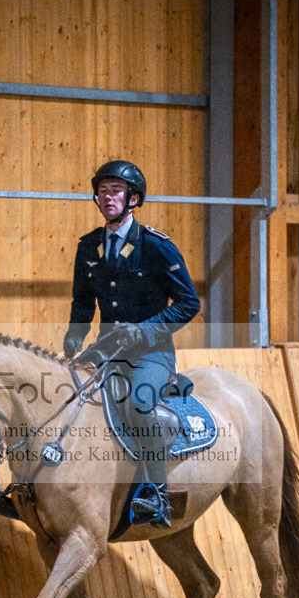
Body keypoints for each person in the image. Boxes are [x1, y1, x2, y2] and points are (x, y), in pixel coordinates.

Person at [63, 160, 200, 527]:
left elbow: (189, 303)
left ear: (133, 199)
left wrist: (146, 330)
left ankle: (157, 494)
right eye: (103, 191)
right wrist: (76, 331)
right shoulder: (89, 246)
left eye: (116, 191)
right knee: (62, 397)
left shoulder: (156, 247)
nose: (107, 198)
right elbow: (82, 300)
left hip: (149, 354)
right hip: (105, 350)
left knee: (139, 406)